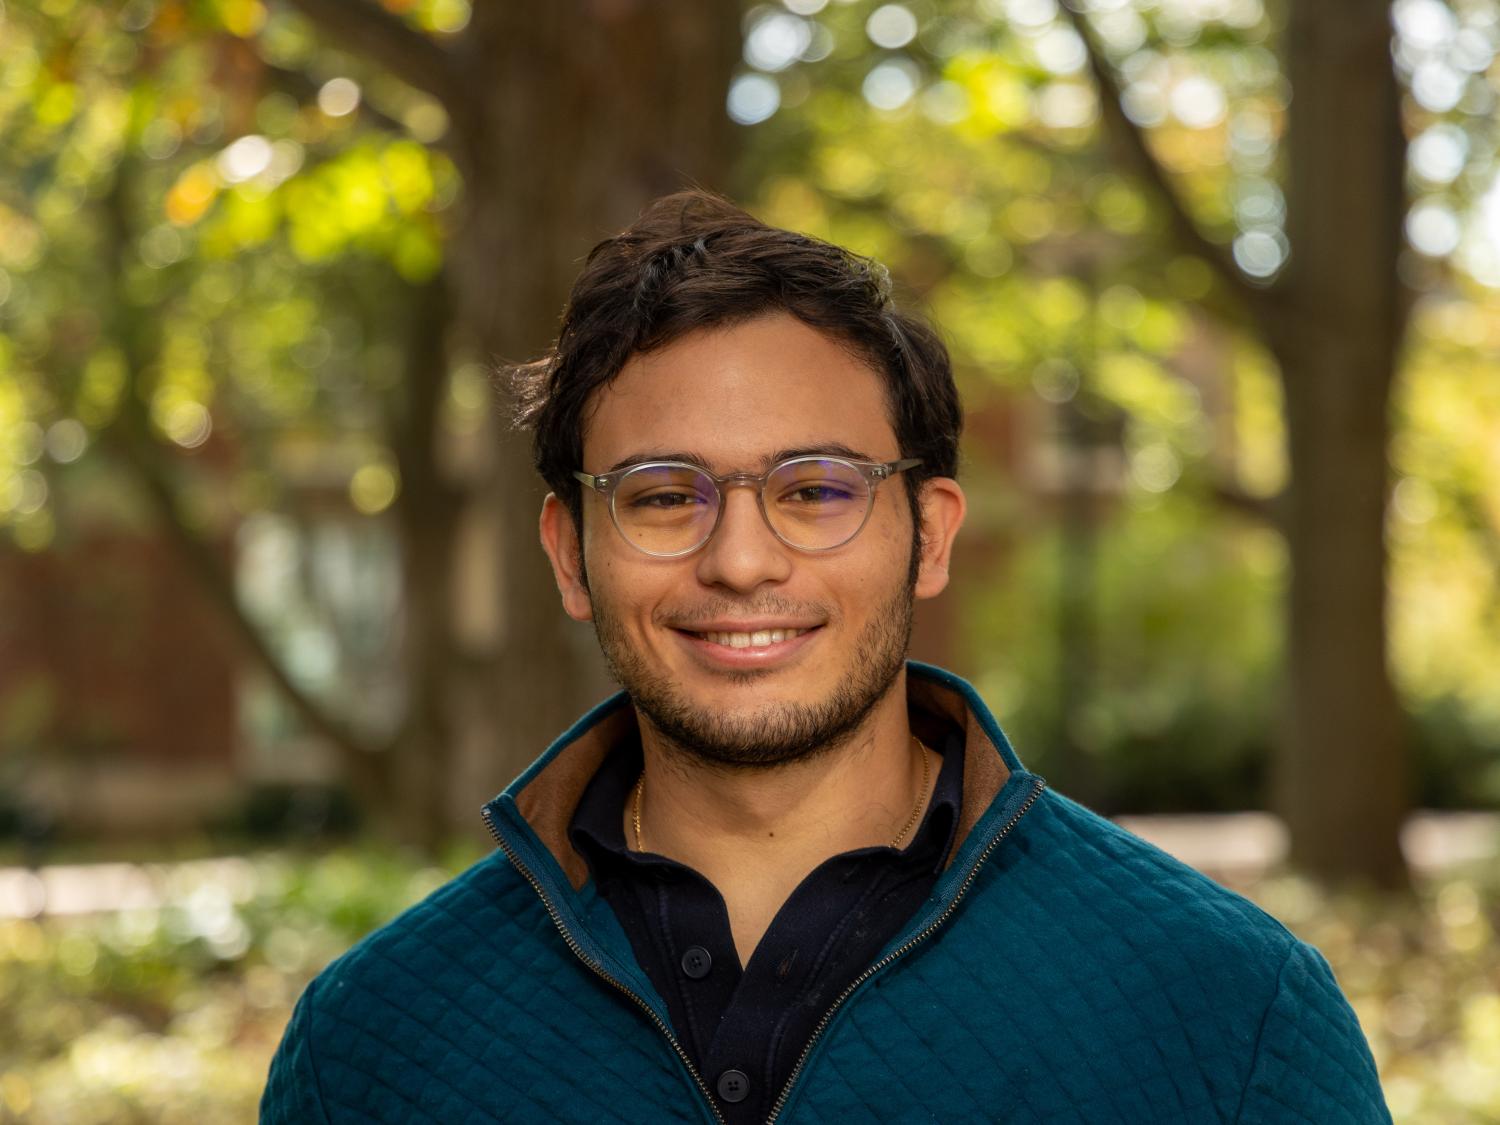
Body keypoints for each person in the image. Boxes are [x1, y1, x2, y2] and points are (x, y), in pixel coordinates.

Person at [260, 191, 1391, 1124]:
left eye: (815, 490)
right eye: (661, 496)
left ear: (930, 535)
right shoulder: (372, 1043)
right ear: (571, 554)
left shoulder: (1229, 1014)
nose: (741, 560)